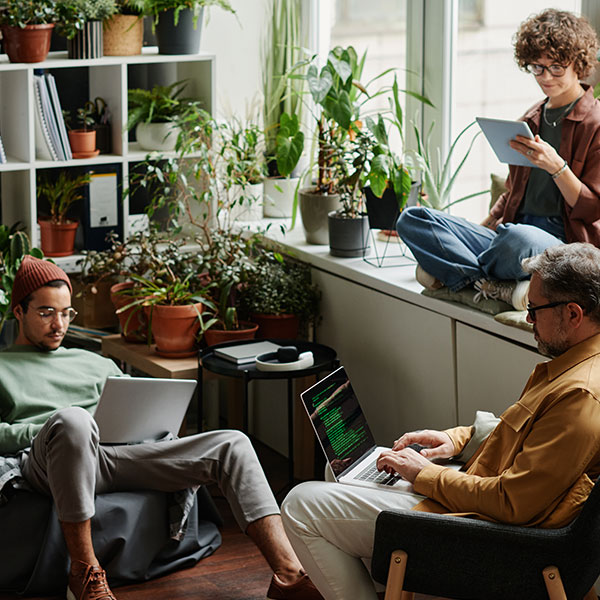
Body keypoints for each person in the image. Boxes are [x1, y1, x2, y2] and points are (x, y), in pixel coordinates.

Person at [281, 243, 600, 600]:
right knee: (341, 467)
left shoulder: (581, 396)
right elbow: (533, 436)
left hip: (488, 536)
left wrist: (424, 474)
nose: (529, 320)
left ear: (573, 314)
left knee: (300, 504)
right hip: (480, 500)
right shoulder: (580, 369)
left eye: (535, 310)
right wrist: (458, 439)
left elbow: (513, 503)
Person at [0, 255, 323, 600]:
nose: (59, 324)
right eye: (46, 312)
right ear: (19, 312)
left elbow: (131, 400)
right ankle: (84, 571)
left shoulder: (92, 361)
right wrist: (50, 430)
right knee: (74, 420)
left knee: (233, 443)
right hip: (47, 461)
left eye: (66, 313)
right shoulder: (5, 366)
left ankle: (288, 573)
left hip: (113, 454)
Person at [396, 8, 600, 310]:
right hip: (509, 235)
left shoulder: (594, 124)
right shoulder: (529, 121)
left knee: (518, 239)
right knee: (412, 219)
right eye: (537, 67)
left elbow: (593, 206)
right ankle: (496, 284)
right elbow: (513, 194)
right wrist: (477, 229)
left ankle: (462, 276)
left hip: (560, 246)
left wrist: (556, 166)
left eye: (556, 67)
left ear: (578, 63)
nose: (546, 77)